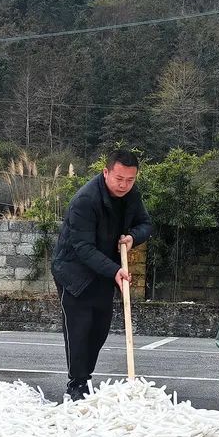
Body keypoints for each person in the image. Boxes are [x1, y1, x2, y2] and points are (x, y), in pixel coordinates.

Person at [52, 149, 153, 401]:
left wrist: (132, 238)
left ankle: (85, 377)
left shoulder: (131, 195)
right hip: (74, 272)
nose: (124, 185)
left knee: (99, 329)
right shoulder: (85, 200)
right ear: (106, 172)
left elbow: (145, 224)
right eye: (119, 178)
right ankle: (77, 384)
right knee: (79, 329)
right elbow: (83, 248)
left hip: (105, 270)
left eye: (130, 180)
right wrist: (116, 269)